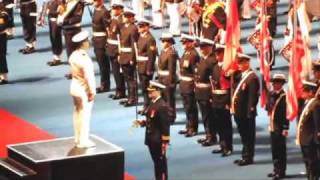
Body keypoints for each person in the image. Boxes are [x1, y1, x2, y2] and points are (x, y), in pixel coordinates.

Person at [133, 80, 171, 180]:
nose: (149, 93)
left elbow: (165, 126)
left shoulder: (162, 106)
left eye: (151, 91)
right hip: (151, 138)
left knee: (161, 163)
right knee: (156, 162)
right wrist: (142, 123)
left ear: (158, 91)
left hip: (158, 140)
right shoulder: (153, 103)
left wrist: (165, 141)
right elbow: (152, 120)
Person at [69, 31, 96, 148]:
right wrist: (92, 91)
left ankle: (77, 137)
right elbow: (88, 77)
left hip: (74, 85)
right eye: (87, 41)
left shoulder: (73, 55)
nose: (88, 43)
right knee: (85, 114)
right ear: (83, 43)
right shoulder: (85, 58)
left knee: (77, 112)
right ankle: (83, 140)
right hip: (83, 89)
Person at [232, 53, 260, 166]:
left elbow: (253, 98)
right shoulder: (240, 75)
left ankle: (248, 157)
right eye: (238, 63)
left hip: (246, 113)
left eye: (241, 63)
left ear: (247, 63)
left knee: (248, 136)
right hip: (239, 112)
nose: (238, 65)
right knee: (243, 135)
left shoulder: (252, 78)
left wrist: (250, 112)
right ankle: (244, 155)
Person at [210, 44, 232, 156]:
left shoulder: (227, 68)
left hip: (224, 100)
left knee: (226, 125)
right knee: (218, 125)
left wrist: (229, 102)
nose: (218, 55)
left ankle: (228, 147)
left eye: (220, 53)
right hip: (216, 99)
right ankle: (222, 145)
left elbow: (230, 87)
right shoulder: (215, 67)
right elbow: (213, 84)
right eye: (216, 53)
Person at [266, 73, 289, 179]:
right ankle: (276, 169)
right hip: (272, 126)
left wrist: (285, 127)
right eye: (274, 82)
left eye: (278, 82)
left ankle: (281, 171)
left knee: (280, 149)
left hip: (280, 126)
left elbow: (286, 114)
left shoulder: (284, 96)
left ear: (282, 84)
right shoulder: (270, 94)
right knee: (274, 149)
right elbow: (268, 108)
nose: (276, 84)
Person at [195, 37, 217, 147]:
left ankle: (212, 137)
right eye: (200, 47)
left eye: (203, 47)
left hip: (207, 92)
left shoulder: (212, 60)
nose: (201, 49)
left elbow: (214, 79)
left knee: (209, 116)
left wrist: (211, 95)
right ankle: (208, 134)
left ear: (210, 47)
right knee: (204, 116)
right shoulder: (203, 59)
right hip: (200, 91)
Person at [297, 81, 320, 180]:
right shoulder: (306, 103)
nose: (303, 93)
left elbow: (317, 123)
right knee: (307, 161)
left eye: (305, 91)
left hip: (310, 139)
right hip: (304, 138)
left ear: (311, 92)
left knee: (312, 162)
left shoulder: (315, 105)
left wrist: (315, 139)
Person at [178, 33, 199, 137]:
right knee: (186, 107)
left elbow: (195, 72)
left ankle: (193, 128)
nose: (184, 45)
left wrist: (195, 86)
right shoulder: (186, 52)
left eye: (186, 43)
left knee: (191, 107)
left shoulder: (194, 54)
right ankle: (188, 126)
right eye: (183, 43)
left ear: (191, 43)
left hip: (190, 84)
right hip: (184, 83)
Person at [136, 18, 157, 115]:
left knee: (147, 89)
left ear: (146, 28)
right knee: (143, 88)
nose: (139, 28)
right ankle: (146, 106)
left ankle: (149, 107)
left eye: (141, 27)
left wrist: (149, 69)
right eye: (139, 26)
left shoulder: (150, 39)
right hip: (140, 65)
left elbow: (151, 55)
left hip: (146, 67)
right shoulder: (141, 36)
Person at [118, 8, 139, 107]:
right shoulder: (123, 27)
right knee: (127, 78)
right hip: (123, 54)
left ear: (131, 18)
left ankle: (133, 98)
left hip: (129, 55)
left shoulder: (133, 28)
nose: (124, 18)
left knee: (131, 79)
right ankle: (129, 97)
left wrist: (132, 58)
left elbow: (134, 45)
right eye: (124, 16)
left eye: (126, 16)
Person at [106, 1, 126, 100]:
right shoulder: (114, 19)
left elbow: (122, 39)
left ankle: (121, 91)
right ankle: (119, 90)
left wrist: (120, 52)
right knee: (115, 71)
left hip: (116, 50)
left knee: (119, 72)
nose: (113, 10)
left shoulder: (121, 21)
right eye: (113, 8)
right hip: (111, 48)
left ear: (120, 10)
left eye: (116, 8)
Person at [91, 0, 111, 93]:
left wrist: (108, 42)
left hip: (102, 41)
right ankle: (104, 83)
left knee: (104, 65)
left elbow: (108, 29)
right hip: (96, 40)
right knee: (101, 64)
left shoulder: (104, 12)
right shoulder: (96, 9)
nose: (94, 1)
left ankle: (105, 85)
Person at [158, 32, 178, 123]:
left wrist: (171, 82)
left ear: (169, 42)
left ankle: (171, 117)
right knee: (163, 98)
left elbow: (171, 70)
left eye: (164, 41)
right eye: (162, 41)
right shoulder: (163, 51)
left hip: (167, 79)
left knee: (169, 99)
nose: (162, 43)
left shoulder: (171, 53)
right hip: (162, 78)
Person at [45, 0, 64, 66]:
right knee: (52, 38)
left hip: (56, 21)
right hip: (51, 20)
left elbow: (61, 12)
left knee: (56, 38)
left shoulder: (60, 1)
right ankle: (55, 57)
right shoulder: (51, 1)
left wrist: (50, 11)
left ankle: (57, 58)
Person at [0, 2, 10, 85]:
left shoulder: (3, 15)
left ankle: (4, 77)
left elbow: (2, 27)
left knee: (1, 57)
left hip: (1, 38)